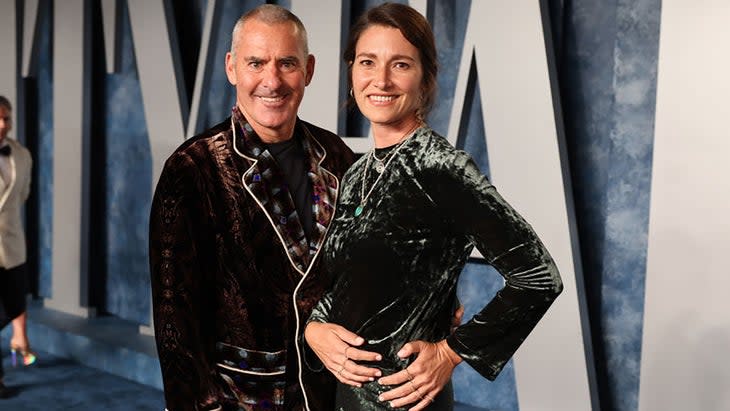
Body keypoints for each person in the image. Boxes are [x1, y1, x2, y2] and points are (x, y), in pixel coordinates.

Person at [303, 3, 564, 410]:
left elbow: (539, 277)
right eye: (368, 62)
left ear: (425, 78)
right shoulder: (356, 174)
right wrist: (314, 327)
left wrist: (450, 351)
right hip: (344, 398)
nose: (381, 80)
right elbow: (347, 284)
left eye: (401, 65)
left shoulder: (440, 167)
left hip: (406, 400)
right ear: (352, 72)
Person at [148, 5, 356, 411]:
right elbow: (175, 324)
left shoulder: (336, 155)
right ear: (231, 68)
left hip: (333, 394)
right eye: (256, 63)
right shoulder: (194, 167)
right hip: (242, 399)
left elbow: (363, 268)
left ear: (309, 70)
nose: (272, 81)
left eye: (287, 63)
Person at [0, 95, 35, 399]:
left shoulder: (22, 155)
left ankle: (17, 342)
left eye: (7, 118)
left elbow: (22, 196)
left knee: (13, 305)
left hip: (11, 247)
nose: (2, 124)